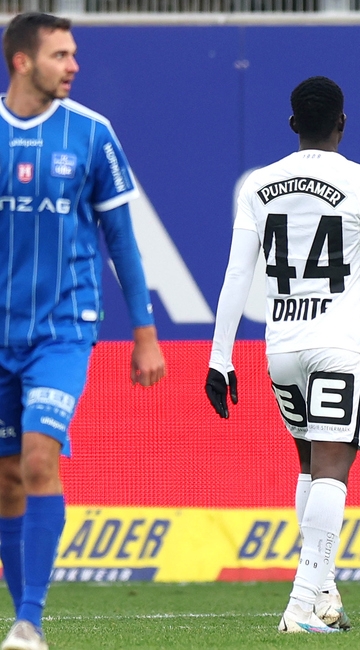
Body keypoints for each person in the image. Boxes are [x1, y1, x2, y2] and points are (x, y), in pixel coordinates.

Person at [205, 76, 360, 635]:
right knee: (333, 471)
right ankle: (298, 606)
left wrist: (220, 358)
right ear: (343, 123)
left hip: (281, 345)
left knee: (309, 467)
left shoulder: (260, 184)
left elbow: (237, 274)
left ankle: (324, 596)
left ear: (294, 125)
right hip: (337, 344)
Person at [0, 12, 166, 650]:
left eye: (73, 54)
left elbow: (121, 239)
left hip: (62, 331)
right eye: (60, 55)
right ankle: (21, 615)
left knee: (40, 458)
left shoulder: (92, 134)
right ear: (22, 61)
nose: (73, 65)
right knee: (8, 475)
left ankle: (30, 620)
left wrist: (145, 332)